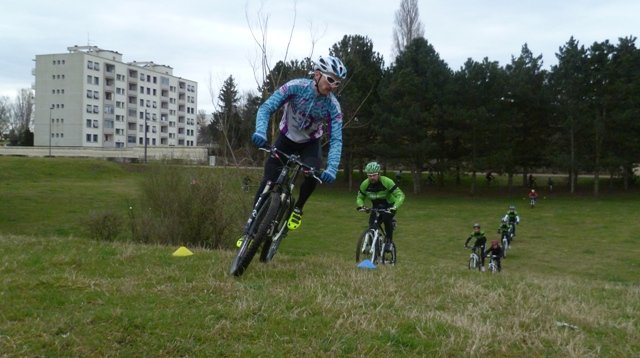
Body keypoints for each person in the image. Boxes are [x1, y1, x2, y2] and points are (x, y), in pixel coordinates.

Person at [237, 55, 347, 247]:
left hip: (310, 145)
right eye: (330, 80)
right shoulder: (295, 87)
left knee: (313, 174)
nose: (332, 86)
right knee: (268, 181)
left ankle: (298, 209)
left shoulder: (333, 107)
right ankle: (249, 231)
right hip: (285, 139)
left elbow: (337, 138)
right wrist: (260, 131)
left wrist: (332, 168)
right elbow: (266, 108)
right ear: (318, 74)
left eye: (337, 83)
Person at [356, 161, 405, 251]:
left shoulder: (387, 182)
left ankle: (389, 242)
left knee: (387, 219)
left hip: (389, 206)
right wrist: (361, 205)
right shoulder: (365, 184)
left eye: (374, 175)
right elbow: (360, 197)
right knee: (372, 226)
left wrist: (395, 207)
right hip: (376, 207)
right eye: (369, 175)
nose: (372, 177)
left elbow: (400, 195)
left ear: (379, 174)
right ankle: (372, 247)